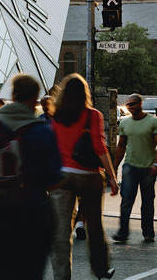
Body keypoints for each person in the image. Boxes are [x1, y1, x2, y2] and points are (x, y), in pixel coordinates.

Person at [0, 73, 62, 280]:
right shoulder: (42, 131)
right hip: (31, 216)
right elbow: (54, 181)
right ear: (35, 98)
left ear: (12, 94)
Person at [50, 74, 118, 280]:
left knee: (60, 233)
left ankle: (61, 276)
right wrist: (112, 177)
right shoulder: (93, 115)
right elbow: (99, 147)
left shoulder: (55, 116)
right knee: (94, 226)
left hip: (62, 177)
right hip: (89, 178)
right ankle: (101, 270)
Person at [113, 93, 157, 243]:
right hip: (130, 166)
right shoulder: (125, 123)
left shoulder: (154, 121)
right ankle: (123, 232)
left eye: (132, 104)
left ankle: (148, 233)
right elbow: (121, 145)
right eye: (128, 105)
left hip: (148, 167)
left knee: (147, 201)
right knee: (126, 199)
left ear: (140, 104)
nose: (129, 107)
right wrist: (115, 166)